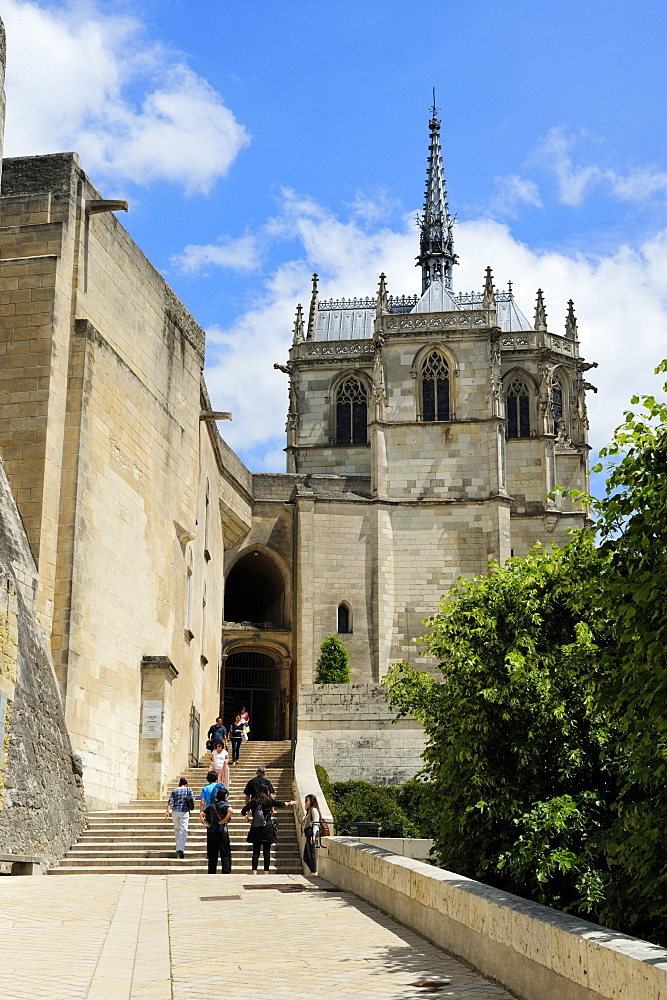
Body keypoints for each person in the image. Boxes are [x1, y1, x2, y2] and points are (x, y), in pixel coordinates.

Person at [241, 790, 296, 874]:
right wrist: (291, 803)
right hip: (267, 828)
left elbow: (243, 811)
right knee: (266, 852)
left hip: (256, 829)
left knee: (256, 852)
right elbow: (282, 804)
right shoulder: (269, 801)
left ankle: (254, 871)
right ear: (266, 792)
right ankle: (266, 872)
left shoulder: (253, 801)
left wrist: (249, 821)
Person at [203, 785, 233, 874]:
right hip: (222, 831)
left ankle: (212, 872)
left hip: (212, 831)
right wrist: (224, 820)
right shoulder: (225, 805)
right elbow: (231, 811)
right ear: (225, 796)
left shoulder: (212, 806)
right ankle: (226, 871)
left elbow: (201, 815)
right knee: (225, 853)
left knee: (212, 854)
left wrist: (206, 824)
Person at [164, 777, 194, 859]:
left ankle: (178, 847)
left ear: (179, 784)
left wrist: (167, 811)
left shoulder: (175, 790)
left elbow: (170, 801)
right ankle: (180, 848)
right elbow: (192, 799)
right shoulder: (189, 789)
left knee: (177, 829)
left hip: (175, 811)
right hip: (184, 811)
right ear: (186, 784)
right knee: (183, 829)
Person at [300, 793, 321, 875]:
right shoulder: (309, 811)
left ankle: (314, 871)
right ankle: (313, 870)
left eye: (306, 800)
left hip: (311, 833)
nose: (305, 802)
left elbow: (316, 822)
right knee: (306, 856)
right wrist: (304, 819)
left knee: (311, 853)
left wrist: (314, 835)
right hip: (308, 833)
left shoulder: (314, 810)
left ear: (311, 801)